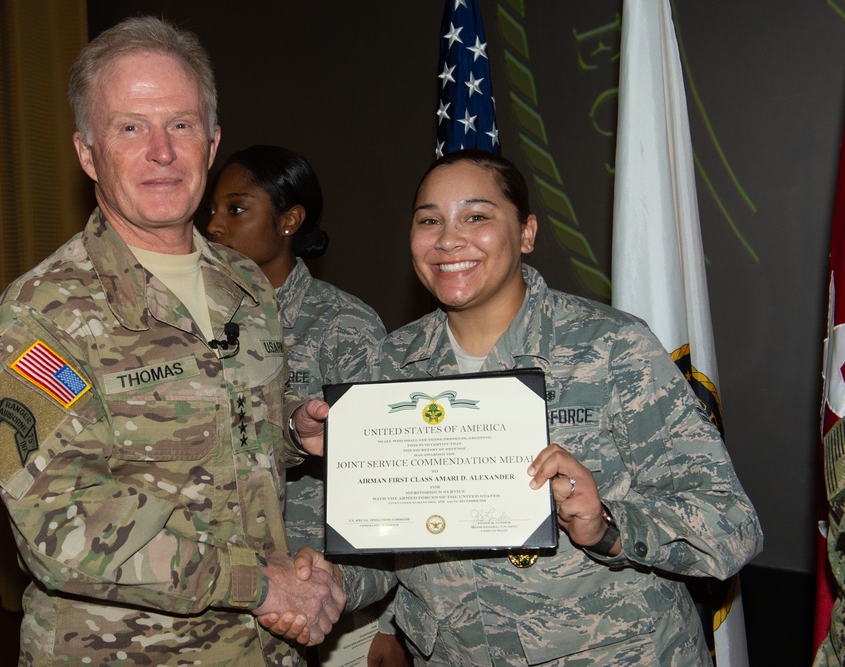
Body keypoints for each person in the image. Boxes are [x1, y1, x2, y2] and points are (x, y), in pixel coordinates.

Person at [274, 149, 764, 665]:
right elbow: (390, 545)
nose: (447, 239)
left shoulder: (611, 348)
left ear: (527, 233)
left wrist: (608, 527)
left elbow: (730, 526)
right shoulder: (389, 366)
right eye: (429, 220)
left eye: (476, 216)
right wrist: (331, 582)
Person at [0, 17, 342, 666]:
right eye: (130, 127)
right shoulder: (42, 317)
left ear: (212, 140)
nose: (162, 151)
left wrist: (289, 430)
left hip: (261, 648)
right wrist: (257, 584)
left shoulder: (245, 285)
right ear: (88, 153)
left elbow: (216, 431)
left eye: (181, 124)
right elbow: (56, 528)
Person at [207, 145, 408, 666]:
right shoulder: (200, 323)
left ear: (289, 220)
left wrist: (390, 621)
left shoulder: (343, 325)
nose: (214, 226)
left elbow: (394, 475)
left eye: (235, 209)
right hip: (231, 598)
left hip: (332, 601)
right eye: (210, 210)